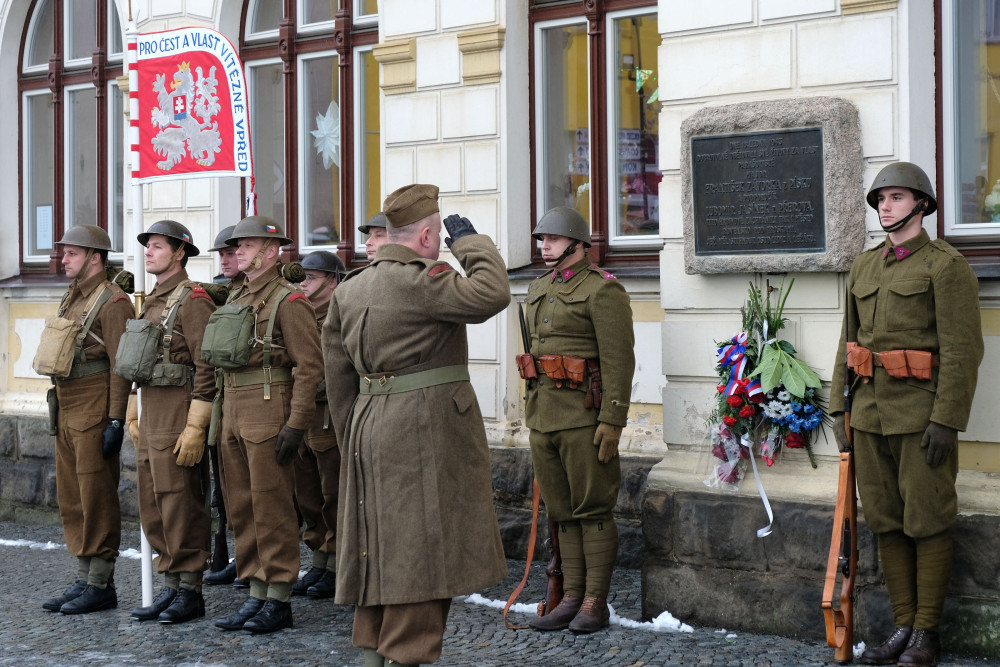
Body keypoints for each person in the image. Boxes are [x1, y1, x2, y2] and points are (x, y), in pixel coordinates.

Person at [322, 184, 509, 666]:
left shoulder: (350, 288)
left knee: (377, 548)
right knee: (425, 552)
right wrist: (470, 244)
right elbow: (493, 292)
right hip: (425, 430)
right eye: (438, 233)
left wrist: (352, 438)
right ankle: (404, 657)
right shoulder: (425, 282)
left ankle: (373, 655)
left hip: (367, 426)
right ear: (426, 236)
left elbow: (337, 377)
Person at [830, 162, 984, 667]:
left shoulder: (945, 266)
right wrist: (839, 408)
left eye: (896, 197)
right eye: (880, 199)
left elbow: (963, 350)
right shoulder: (863, 266)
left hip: (921, 418)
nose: (885, 206)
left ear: (921, 203)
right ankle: (902, 627)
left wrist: (947, 420)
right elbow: (848, 342)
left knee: (928, 520)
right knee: (886, 520)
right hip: (868, 416)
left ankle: (925, 634)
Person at [521, 206, 635, 634]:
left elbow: (619, 359)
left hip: (584, 418)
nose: (544, 245)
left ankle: (594, 602)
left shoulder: (603, 289)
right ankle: (570, 597)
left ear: (578, 243)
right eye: (541, 239)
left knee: (593, 508)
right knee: (562, 511)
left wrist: (613, 420)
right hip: (543, 416)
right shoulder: (539, 287)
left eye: (552, 238)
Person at [212, 216, 323, 634]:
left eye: (246, 245)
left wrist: (296, 424)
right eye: (236, 245)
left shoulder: (288, 301)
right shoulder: (237, 295)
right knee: (241, 506)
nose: (237, 251)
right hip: (234, 408)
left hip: (268, 405)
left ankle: (278, 596)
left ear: (271, 251)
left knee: (271, 506)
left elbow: (310, 367)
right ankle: (256, 590)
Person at [125, 220, 218, 624]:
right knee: (153, 503)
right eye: (147, 246)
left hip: (178, 412)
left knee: (180, 501)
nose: (148, 252)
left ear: (179, 253)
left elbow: (207, 365)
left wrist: (197, 425)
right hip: (152, 412)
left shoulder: (193, 300)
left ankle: (190, 589)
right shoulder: (150, 300)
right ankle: (171, 583)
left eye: (158, 246)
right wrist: (132, 406)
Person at [38, 225, 133, 614]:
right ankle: (84, 576)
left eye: (72, 253)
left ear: (96, 258)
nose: (63, 259)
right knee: (73, 497)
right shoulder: (73, 296)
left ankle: (100, 582)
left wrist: (116, 420)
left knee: (97, 497)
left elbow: (120, 366)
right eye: (64, 253)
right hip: (66, 404)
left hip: (94, 406)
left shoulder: (114, 302)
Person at [291, 250, 345, 599]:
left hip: (329, 416)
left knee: (333, 494)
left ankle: (338, 563)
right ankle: (319, 559)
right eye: (301, 277)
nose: (303, 283)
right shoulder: (298, 315)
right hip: (302, 416)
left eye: (310, 278)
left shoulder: (342, 316)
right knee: (307, 494)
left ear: (333, 281)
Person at [203, 224, 242, 588]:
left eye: (231, 253)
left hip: (253, 402)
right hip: (221, 399)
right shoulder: (219, 295)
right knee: (227, 488)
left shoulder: (267, 295)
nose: (226, 260)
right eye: (223, 255)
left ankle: (254, 561)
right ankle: (240, 554)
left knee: (254, 491)